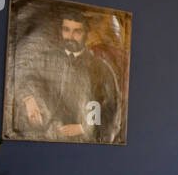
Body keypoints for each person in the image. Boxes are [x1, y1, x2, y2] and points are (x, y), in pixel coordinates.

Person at [13, 8, 121, 142]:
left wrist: (85, 128)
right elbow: (23, 77)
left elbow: (111, 108)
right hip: (45, 139)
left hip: (83, 143)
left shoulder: (101, 68)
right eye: (66, 30)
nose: (70, 36)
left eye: (77, 32)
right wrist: (28, 99)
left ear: (86, 34)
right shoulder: (46, 59)